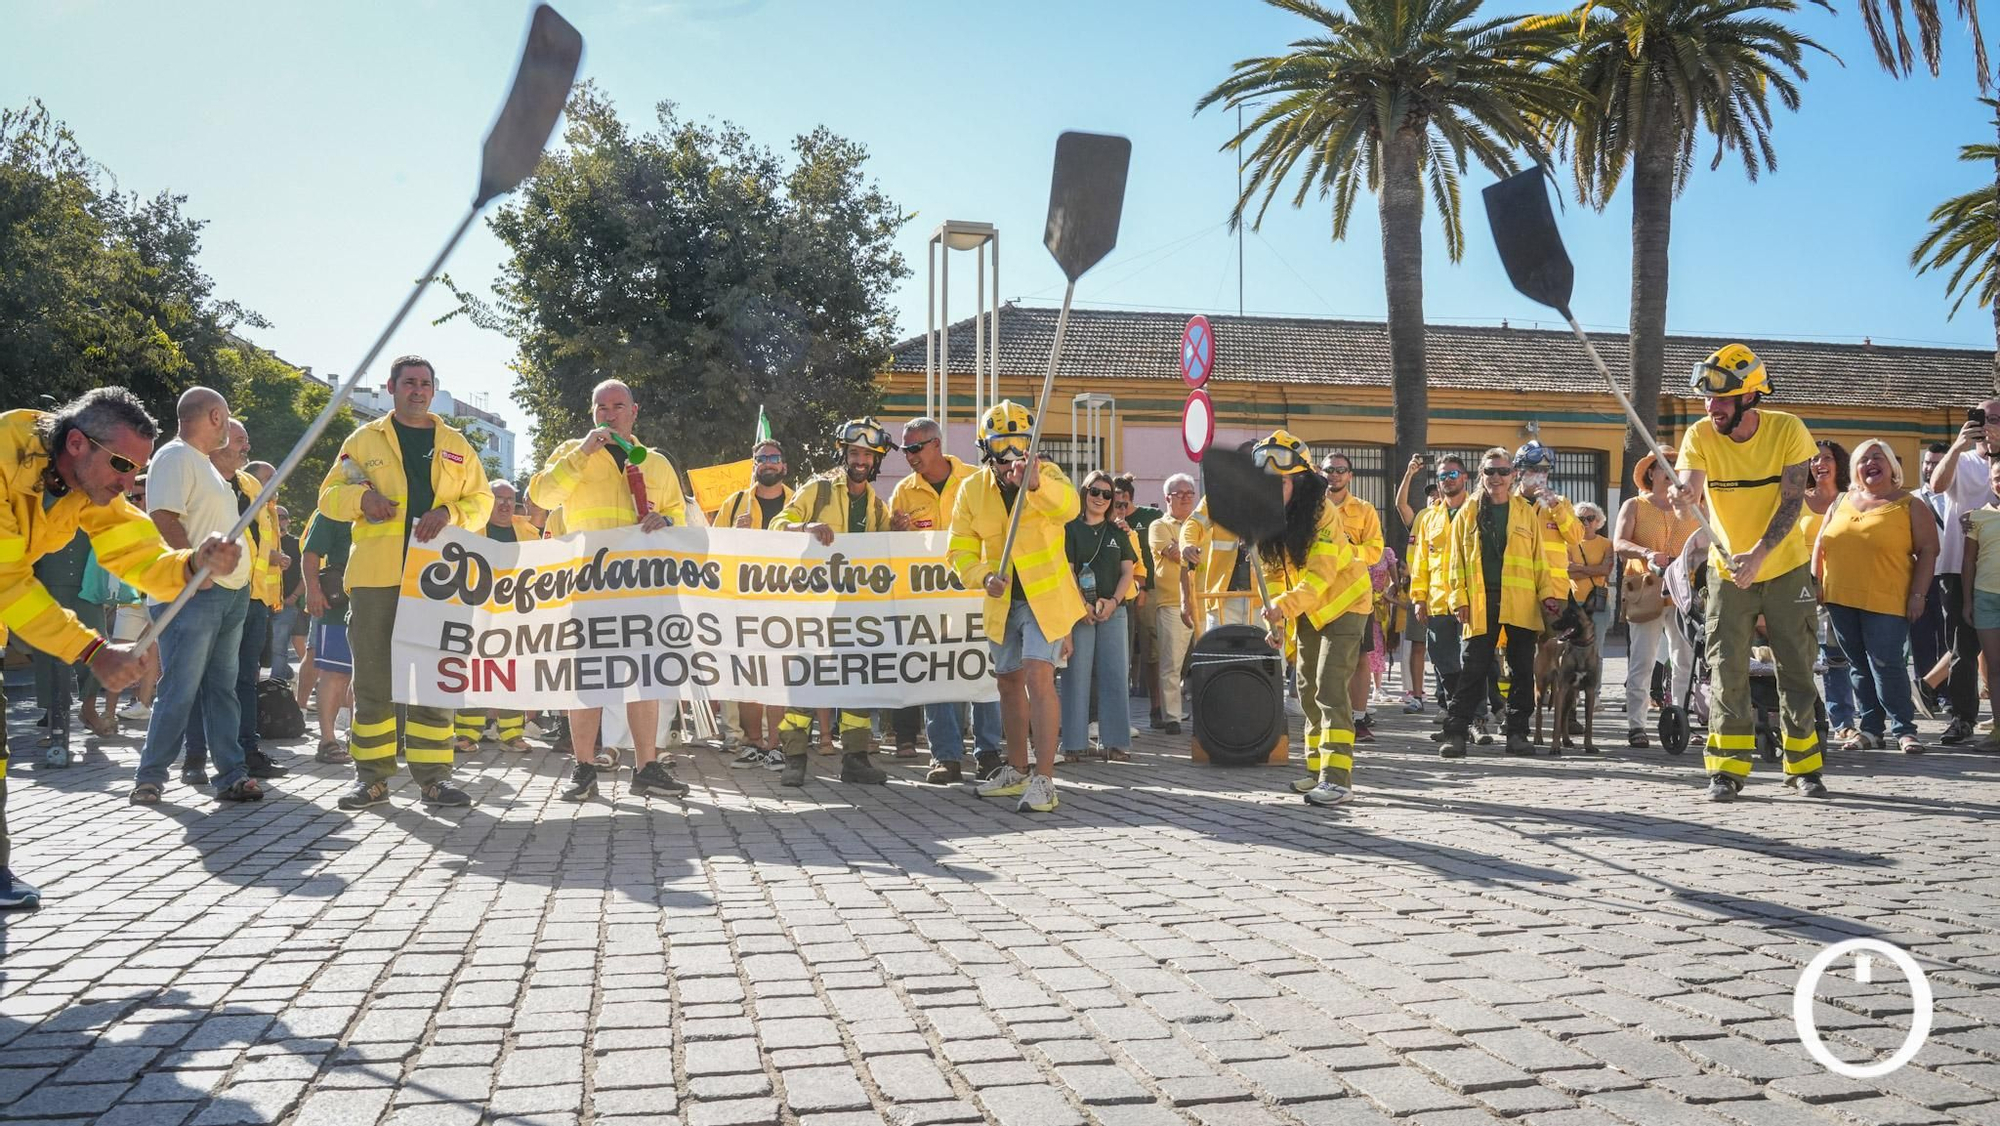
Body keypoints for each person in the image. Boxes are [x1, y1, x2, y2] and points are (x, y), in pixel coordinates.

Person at [1, 389, 242, 907]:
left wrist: (188, 566)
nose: (129, 484)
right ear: (76, 444)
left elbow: (135, 550)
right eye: (122, 466)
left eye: (137, 470)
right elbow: (8, 585)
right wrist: (91, 651)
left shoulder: (89, 484)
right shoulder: (3, 459)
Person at [319, 356, 493, 811]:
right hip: (377, 578)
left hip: (437, 582)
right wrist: (363, 499)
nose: (418, 390)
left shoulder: (456, 444)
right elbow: (328, 498)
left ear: (434, 391)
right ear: (391, 387)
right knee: (374, 680)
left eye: (425, 384)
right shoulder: (364, 439)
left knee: (433, 681)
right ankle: (372, 779)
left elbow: (483, 500)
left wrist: (450, 514)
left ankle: (435, 779)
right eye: (409, 383)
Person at [1671, 344, 1827, 801]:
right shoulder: (1699, 434)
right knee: (1726, 668)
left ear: (1749, 398)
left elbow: (1792, 500)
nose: (1710, 407)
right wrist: (1685, 498)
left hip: (1785, 568)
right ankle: (1726, 770)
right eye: (1706, 398)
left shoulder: (1789, 430)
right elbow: (1691, 490)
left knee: (1796, 667)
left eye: (1720, 399)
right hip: (1725, 571)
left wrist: (1758, 555)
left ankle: (1804, 767)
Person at [528, 377, 689, 802]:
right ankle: (583, 768)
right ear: (591, 413)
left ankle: (646, 767)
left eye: (618, 406)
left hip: (643, 587)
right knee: (588, 680)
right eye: (601, 407)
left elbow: (679, 516)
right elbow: (543, 495)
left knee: (644, 679)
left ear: (634, 412)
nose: (609, 413)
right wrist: (583, 452)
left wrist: (668, 521)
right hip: (590, 587)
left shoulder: (655, 463)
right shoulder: (571, 453)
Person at [948, 400, 1085, 813]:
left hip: (1044, 602)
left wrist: (1036, 486)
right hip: (1001, 602)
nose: (1012, 454)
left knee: (1039, 678)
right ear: (986, 448)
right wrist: (982, 577)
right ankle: (1017, 768)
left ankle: (1045, 780)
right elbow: (959, 550)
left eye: (1020, 443)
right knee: (1007, 682)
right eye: (1002, 445)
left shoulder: (1047, 474)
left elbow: (1071, 507)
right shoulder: (971, 490)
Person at [131, 389, 264, 805]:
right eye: (227, 419)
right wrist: (193, 574)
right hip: (194, 593)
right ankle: (150, 777)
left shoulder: (205, 466)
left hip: (229, 594)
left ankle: (231, 775)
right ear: (215, 416)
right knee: (181, 688)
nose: (230, 428)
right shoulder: (174, 457)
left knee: (221, 689)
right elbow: (163, 518)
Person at [769, 418, 897, 788]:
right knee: (805, 680)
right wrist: (804, 527)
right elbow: (779, 524)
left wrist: (898, 531)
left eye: (867, 455)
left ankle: (855, 759)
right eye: (854, 453)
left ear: (875, 461)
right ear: (843, 454)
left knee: (857, 681)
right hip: (812, 605)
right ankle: (794, 759)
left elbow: (884, 552)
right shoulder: (820, 490)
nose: (860, 460)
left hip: (856, 608)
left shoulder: (876, 505)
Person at [1248, 431, 1372, 804]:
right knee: (1306, 690)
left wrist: (1284, 606)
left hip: (1345, 605)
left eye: (1280, 481)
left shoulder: (1323, 514)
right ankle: (1316, 771)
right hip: (1307, 609)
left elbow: (1321, 575)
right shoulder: (1268, 519)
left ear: (1299, 481)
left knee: (1329, 687)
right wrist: (1277, 622)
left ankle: (1338, 780)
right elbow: (1272, 578)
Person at [888, 419, 1002, 783]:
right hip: (930, 601)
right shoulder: (903, 492)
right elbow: (893, 548)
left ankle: (988, 753)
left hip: (975, 595)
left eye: (915, 448)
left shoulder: (976, 479)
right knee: (935, 674)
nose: (909, 457)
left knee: (984, 673)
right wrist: (896, 534)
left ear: (936, 445)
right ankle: (945, 756)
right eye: (905, 450)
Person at [1437, 448, 1563, 759]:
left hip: (1520, 602)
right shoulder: (1468, 512)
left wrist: (1547, 593)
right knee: (1473, 669)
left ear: (1513, 475)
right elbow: (1454, 562)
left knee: (1521, 670)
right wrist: (1458, 598)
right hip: (1480, 601)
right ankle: (1456, 732)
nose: (1497, 477)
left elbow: (1539, 560)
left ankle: (1517, 733)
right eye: (1490, 471)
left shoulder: (1524, 511)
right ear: (1481, 475)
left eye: (1503, 472)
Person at [1814, 440, 1937, 756]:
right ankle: (1870, 729)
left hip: (1888, 599)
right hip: (1840, 598)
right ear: (1854, 469)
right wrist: (1817, 583)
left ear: (1892, 468)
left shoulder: (1910, 504)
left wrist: (1919, 595)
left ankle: (1904, 730)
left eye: (1877, 457)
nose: (1870, 462)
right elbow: (1821, 544)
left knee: (1887, 665)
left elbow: (1928, 551)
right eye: (1863, 458)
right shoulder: (1840, 501)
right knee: (1856, 666)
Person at [183, 437, 288, 785]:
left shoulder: (250, 485)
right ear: (216, 443)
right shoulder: (202, 480)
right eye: (238, 440)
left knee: (245, 679)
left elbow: (260, 540)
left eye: (246, 441)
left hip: (252, 596)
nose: (246, 446)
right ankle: (195, 757)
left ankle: (246, 752)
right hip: (211, 591)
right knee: (200, 680)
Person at [1613, 453, 1701, 746]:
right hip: (1646, 589)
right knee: (1643, 660)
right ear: (1650, 474)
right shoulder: (1635, 505)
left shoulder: (1695, 508)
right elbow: (1619, 543)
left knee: (1684, 660)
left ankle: (1679, 719)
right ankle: (1636, 725)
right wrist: (1647, 553)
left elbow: (1711, 542)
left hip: (1683, 592)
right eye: (1663, 467)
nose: (1671, 472)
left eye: (1677, 468)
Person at [717, 439, 795, 771]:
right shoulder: (734, 504)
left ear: (784, 466)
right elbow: (712, 549)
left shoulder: (800, 501)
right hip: (744, 603)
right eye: (761, 459)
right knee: (749, 678)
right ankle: (752, 743)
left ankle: (776, 746)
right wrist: (734, 533)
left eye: (774, 458)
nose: (768, 463)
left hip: (787, 602)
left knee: (777, 678)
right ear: (754, 465)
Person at [1931, 401, 2000, 745]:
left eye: (1996, 420)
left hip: (1996, 569)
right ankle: (1962, 717)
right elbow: (1937, 485)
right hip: (1958, 565)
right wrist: (1958, 446)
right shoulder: (1964, 460)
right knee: (1962, 646)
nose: (1988, 426)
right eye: (1982, 420)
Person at [453, 479, 536, 753]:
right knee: (474, 672)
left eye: (510, 499)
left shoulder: (528, 534)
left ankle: (512, 734)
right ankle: (466, 735)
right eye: (499, 498)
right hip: (476, 611)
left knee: (512, 673)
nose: (505, 504)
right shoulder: (470, 531)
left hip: (514, 613)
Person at [1061, 470, 1138, 763]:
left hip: (1113, 610)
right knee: (1075, 676)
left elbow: (1127, 572)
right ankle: (1073, 743)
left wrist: (1115, 601)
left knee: (1116, 675)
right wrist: (1082, 605)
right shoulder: (1070, 529)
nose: (1101, 499)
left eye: (1108, 495)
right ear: (1084, 493)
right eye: (1095, 492)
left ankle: (1116, 742)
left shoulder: (1119, 532)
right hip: (1079, 612)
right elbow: (1067, 571)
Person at [1319, 451, 1384, 742]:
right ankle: (1327, 718)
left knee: (1359, 659)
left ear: (1350, 476)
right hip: (1318, 595)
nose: (1334, 474)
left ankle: (1358, 719)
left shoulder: (1365, 509)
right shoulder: (1311, 508)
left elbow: (1375, 551)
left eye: (1340, 470)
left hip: (1356, 595)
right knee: (1320, 658)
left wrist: (1347, 550)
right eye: (1329, 469)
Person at [1408, 454, 1476, 729]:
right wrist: (1418, 598)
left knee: (1474, 661)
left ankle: (1476, 718)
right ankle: (1454, 714)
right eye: (1442, 476)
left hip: (1472, 600)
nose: (1447, 480)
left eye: (1452, 474)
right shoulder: (1429, 517)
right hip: (1438, 602)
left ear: (1464, 477)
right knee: (1443, 662)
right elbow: (1420, 561)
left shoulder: (1477, 509)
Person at [1804, 439, 1858, 740]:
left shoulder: (1851, 500)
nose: (1819, 463)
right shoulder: (1796, 499)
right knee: (1796, 657)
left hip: (1836, 587)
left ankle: (1842, 721)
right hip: (1794, 586)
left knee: (1835, 657)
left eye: (1826, 458)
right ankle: (1803, 717)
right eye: (1814, 459)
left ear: (1839, 464)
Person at [29, 528, 95, 763]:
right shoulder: (43, 498)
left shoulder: (96, 501)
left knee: (96, 649)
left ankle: (89, 709)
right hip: (48, 587)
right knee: (48, 656)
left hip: (88, 586)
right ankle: (54, 720)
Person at [299, 511, 354, 764]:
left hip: (378, 598)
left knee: (366, 675)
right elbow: (311, 553)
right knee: (335, 673)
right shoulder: (334, 505)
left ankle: (359, 737)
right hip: (338, 603)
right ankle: (328, 741)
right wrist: (312, 591)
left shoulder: (394, 496)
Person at [1148, 474, 1198, 734]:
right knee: (1171, 663)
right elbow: (1178, 554)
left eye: (1190, 492)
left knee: (1204, 662)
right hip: (1170, 602)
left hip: (1201, 601)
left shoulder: (1200, 524)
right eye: (1181, 493)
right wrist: (1191, 551)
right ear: (1167, 498)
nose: (1187, 497)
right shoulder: (1159, 525)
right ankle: (1172, 718)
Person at [1958, 458, 2000, 752]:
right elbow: (1968, 562)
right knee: (1995, 669)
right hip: (1986, 598)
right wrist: (1968, 601)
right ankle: (1998, 729)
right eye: (1997, 477)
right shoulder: (1977, 518)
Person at [1113, 476, 1163, 725]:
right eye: (1116, 502)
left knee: (1151, 649)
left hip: (1148, 590)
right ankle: (1120, 715)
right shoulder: (1106, 520)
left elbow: (1143, 560)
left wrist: (1142, 588)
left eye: (1124, 503)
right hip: (1117, 597)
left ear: (1131, 498)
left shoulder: (1149, 516)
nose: (1120, 508)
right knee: (1124, 652)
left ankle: (1157, 709)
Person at [1910, 442, 1951, 716]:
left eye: (1936, 463)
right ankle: (1927, 695)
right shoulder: (1912, 499)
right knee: (1921, 638)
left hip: (1951, 577)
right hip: (1921, 578)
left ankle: (1949, 694)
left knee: (1950, 640)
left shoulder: (1957, 496)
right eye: (1927, 462)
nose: (1929, 467)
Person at [1392, 454, 1432, 713]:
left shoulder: (1459, 517)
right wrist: (1409, 473)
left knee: (1448, 649)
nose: (1434, 497)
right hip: (1421, 593)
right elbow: (1400, 504)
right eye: (1430, 495)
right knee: (1418, 647)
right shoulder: (1420, 519)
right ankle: (1417, 695)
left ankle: (1447, 696)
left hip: (1450, 592)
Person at [1569, 501, 1615, 663]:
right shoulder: (1569, 543)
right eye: (1581, 519)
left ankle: (1594, 688)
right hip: (1575, 602)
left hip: (1598, 602)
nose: (1586, 522)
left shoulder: (1607, 544)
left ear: (1598, 521)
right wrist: (1594, 569)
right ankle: (1573, 687)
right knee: (1573, 648)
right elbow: (1567, 572)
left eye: (1590, 518)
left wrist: (1579, 568)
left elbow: (1606, 570)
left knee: (1596, 649)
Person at [269, 505, 306, 684]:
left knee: (279, 643)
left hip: (287, 604)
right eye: (275, 517)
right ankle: (286, 673)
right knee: (263, 646)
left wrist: (294, 597)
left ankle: (276, 685)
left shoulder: (297, 544)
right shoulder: (264, 542)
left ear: (289, 521)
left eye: (282, 517)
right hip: (263, 602)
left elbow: (307, 573)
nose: (279, 520)